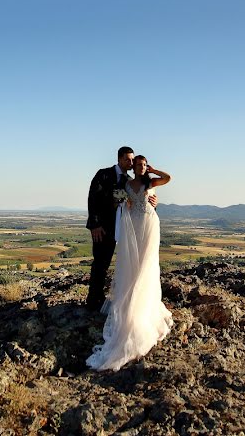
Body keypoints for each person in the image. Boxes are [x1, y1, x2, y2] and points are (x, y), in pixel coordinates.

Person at [86, 155, 173, 371]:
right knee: (130, 266)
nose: (140, 166)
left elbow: (168, 178)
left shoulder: (149, 181)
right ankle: (123, 303)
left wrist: (154, 171)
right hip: (131, 227)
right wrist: (122, 201)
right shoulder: (123, 183)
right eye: (137, 164)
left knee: (146, 265)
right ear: (131, 166)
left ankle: (143, 304)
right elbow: (113, 201)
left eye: (143, 164)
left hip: (148, 226)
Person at [85, 146, 156, 311]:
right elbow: (92, 198)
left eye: (132, 160)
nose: (131, 163)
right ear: (119, 159)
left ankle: (100, 298)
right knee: (100, 262)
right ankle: (93, 300)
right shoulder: (104, 174)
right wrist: (95, 225)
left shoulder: (129, 181)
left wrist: (153, 201)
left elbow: (131, 202)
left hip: (121, 229)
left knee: (110, 262)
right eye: (127, 159)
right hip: (101, 227)